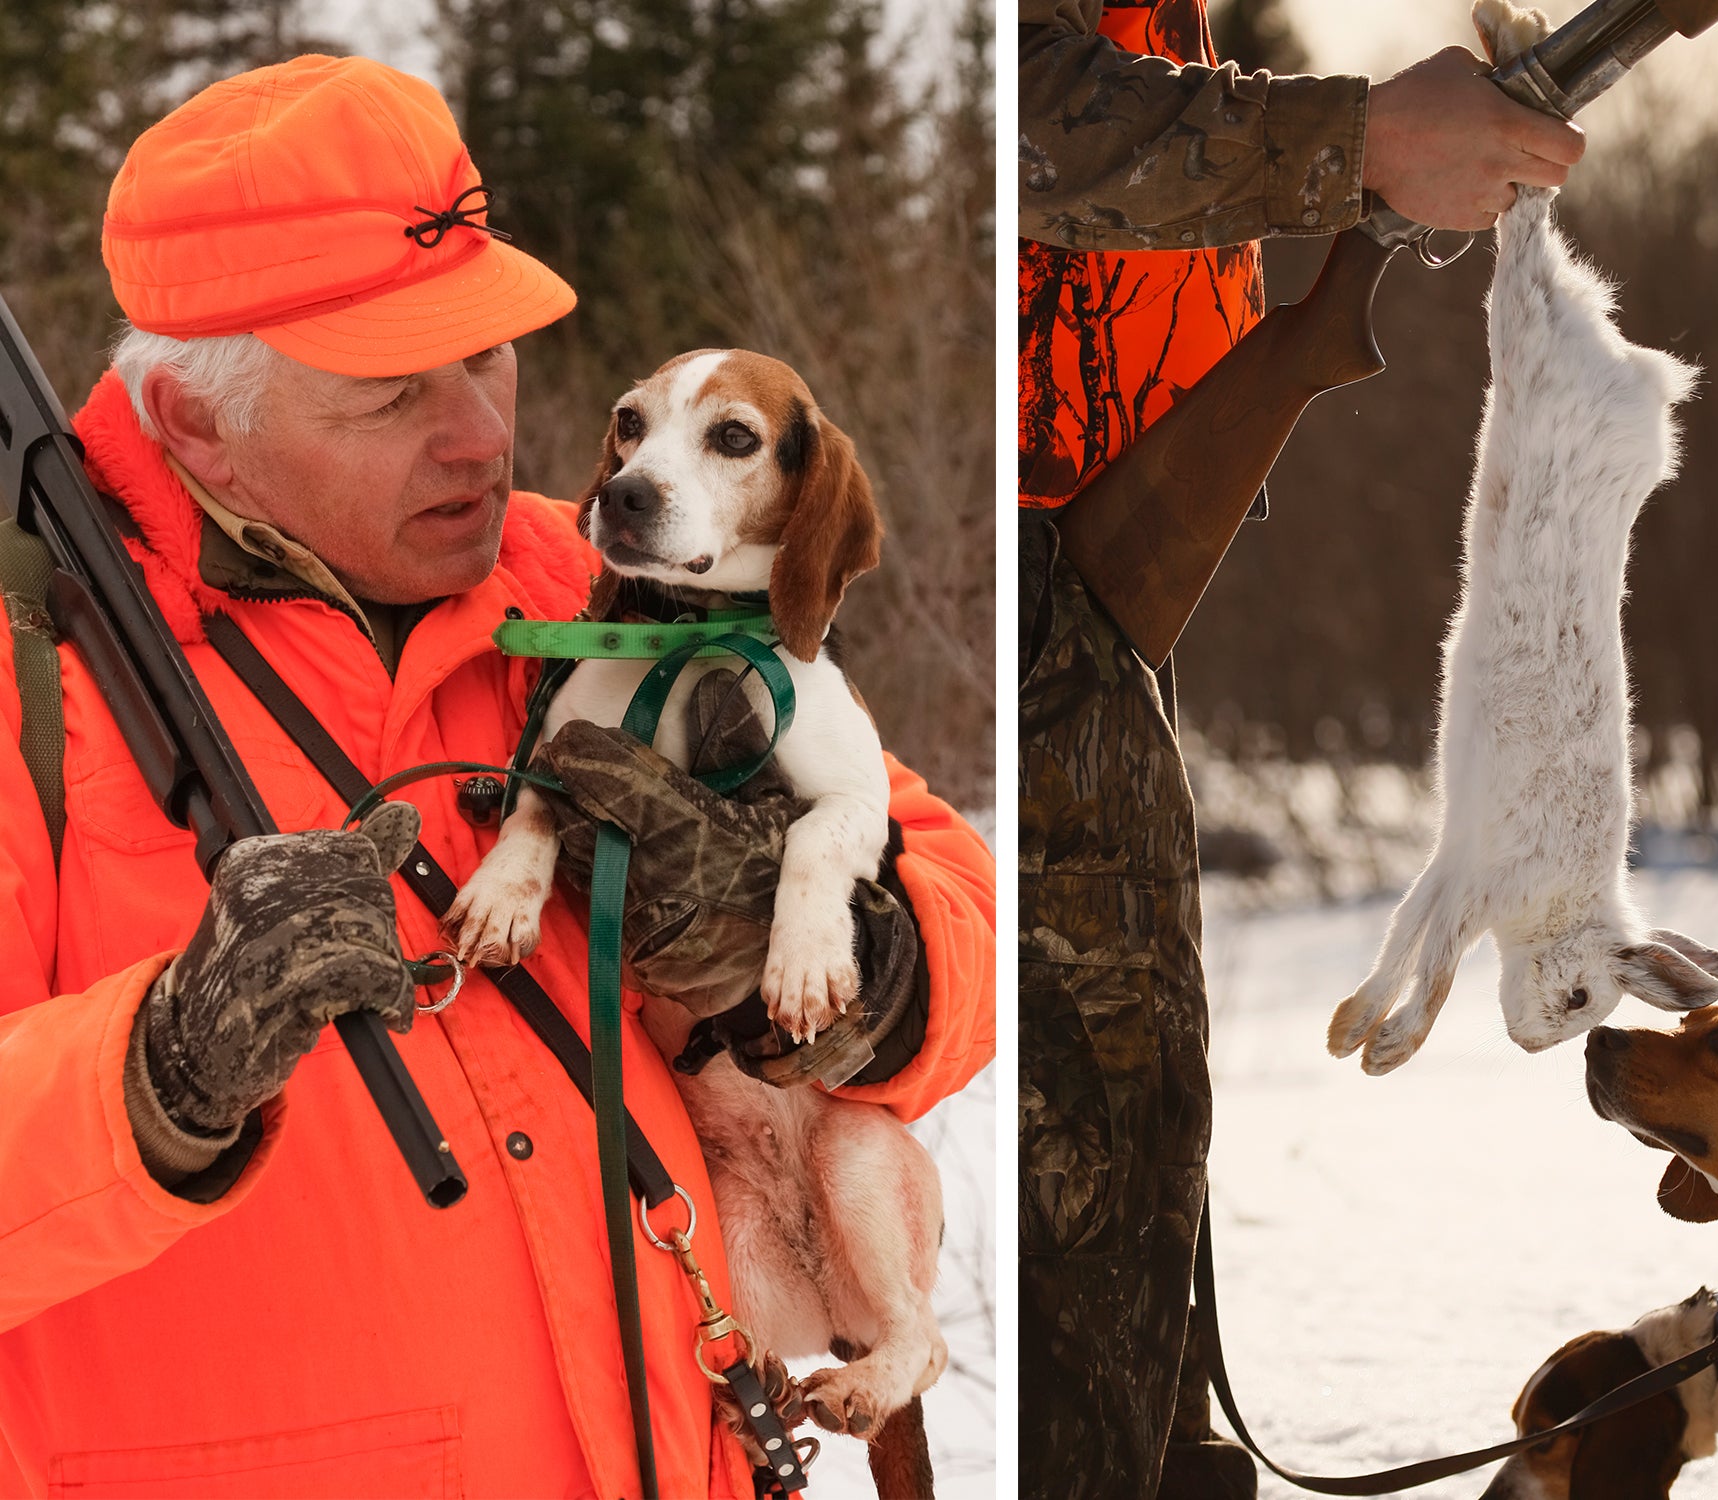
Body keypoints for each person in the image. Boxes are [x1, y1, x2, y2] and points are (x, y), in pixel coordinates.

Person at [0, 54, 995, 1499]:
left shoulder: (593, 585)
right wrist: (155, 1073)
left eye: (486, 352)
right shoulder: (35, 679)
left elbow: (953, 897)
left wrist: (860, 976)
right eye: (393, 391)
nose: (478, 431)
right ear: (201, 421)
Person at [1017, 5, 1585, 1497]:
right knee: (1069, 1164)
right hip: (996, 575)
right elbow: (1016, 109)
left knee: (1129, 1137)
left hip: (1084, 579)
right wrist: (1358, 146)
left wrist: (1369, 178)